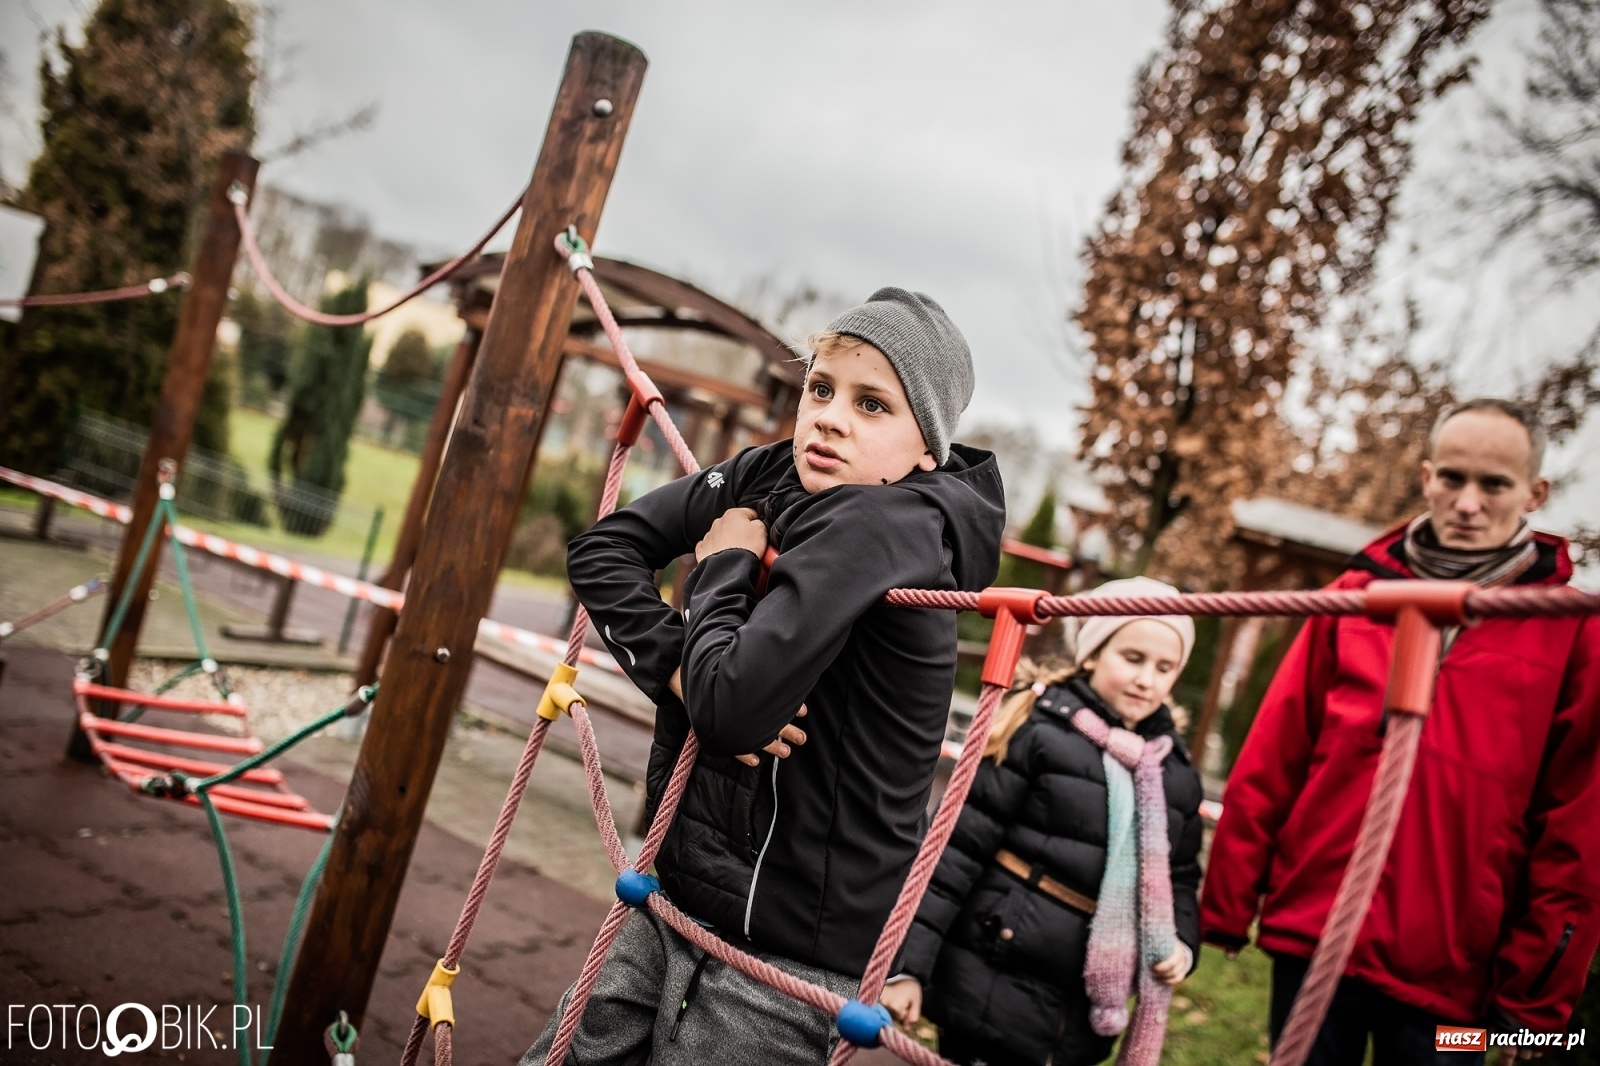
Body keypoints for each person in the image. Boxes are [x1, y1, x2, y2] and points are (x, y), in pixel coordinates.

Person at [519, 287, 1006, 1065]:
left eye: (872, 405)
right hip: (681, 885)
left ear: (927, 451)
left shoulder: (889, 523)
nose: (831, 417)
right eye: (821, 388)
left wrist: (722, 565)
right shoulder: (773, 471)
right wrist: (686, 672)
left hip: (792, 947)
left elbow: (734, 713)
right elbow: (602, 552)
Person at [1201, 398, 1600, 1065]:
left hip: (1453, 974)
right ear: (1425, 478)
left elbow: (1578, 825)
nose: (1467, 502)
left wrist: (1534, 999)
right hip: (1315, 931)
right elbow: (1277, 751)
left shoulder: (1571, 630)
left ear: (1535, 493)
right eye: (1452, 477)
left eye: (1494, 484)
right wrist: (1228, 900)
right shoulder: (1356, 596)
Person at [881, 577, 1205, 1066]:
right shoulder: (1039, 733)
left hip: (1082, 1004)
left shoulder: (1172, 772)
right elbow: (954, 854)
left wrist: (1180, 941)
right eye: (1133, 659)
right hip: (994, 973)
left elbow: (1179, 877)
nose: (1147, 680)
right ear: (1093, 654)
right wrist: (906, 969)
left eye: (1165, 668)